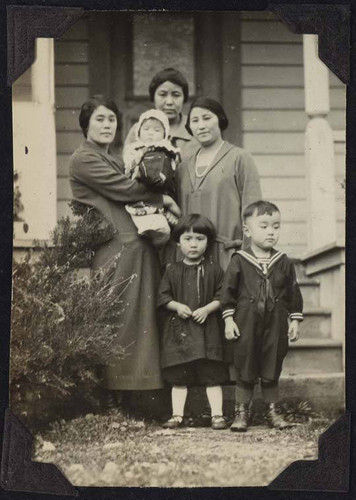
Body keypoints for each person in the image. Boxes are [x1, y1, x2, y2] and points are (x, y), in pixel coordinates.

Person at [69, 96, 181, 408]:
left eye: (111, 120)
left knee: (140, 317)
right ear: (86, 124)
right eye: (100, 119)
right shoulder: (84, 159)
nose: (107, 125)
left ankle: (141, 396)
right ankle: (120, 395)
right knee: (122, 318)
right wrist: (165, 202)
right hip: (117, 246)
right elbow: (127, 190)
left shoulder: (114, 157)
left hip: (135, 244)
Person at [220, 201, 303, 432]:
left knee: (272, 363)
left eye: (276, 227)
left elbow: (293, 291)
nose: (271, 232)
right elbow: (227, 292)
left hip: (275, 322)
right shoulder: (239, 260)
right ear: (247, 231)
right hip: (246, 321)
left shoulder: (283, 261)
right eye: (264, 226)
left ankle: (272, 412)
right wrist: (228, 320)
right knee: (245, 364)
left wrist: (294, 319)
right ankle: (241, 413)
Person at [157, 214, 229, 430]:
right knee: (179, 377)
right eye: (188, 239)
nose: (194, 244)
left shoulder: (215, 270)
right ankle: (177, 415)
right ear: (178, 242)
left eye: (200, 238)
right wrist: (177, 306)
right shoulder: (172, 270)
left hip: (208, 332)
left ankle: (217, 415)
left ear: (208, 242)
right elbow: (163, 297)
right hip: (181, 332)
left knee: (212, 376)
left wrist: (208, 309)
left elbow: (223, 296)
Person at [176, 96, 262, 271]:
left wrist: (248, 259)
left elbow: (253, 212)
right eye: (195, 120)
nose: (201, 125)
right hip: (189, 260)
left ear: (220, 120)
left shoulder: (240, 158)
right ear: (189, 127)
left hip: (229, 257)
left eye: (207, 118)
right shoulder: (182, 168)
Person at [123, 109, 180, 247]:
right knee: (143, 220)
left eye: (156, 130)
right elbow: (128, 169)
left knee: (165, 225)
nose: (150, 133)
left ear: (164, 134)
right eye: (146, 129)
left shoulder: (167, 150)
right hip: (140, 193)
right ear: (139, 132)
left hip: (161, 193)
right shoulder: (135, 150)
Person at [124, 67, 199, 162]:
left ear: (184, 98)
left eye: (176, 95)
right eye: (162, 94)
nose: (169, 102)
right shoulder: (137, 129)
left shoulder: (195, 128)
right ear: (153, 97)